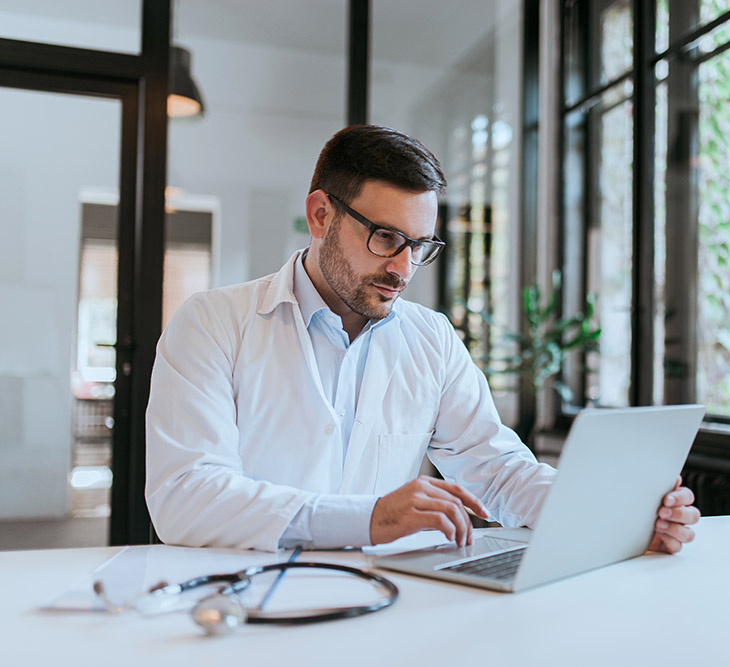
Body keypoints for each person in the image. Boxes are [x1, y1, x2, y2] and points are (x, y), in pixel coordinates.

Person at [145, 124, 700, 553]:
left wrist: (613, 515)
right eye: (386, 237)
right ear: (320, 215)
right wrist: (370, 517)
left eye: (421, 245)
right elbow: (185, 495)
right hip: (245, 606)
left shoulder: (430, 337)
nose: (404, 268)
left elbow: (497, 469)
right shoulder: (213, 322)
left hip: (384, 603)